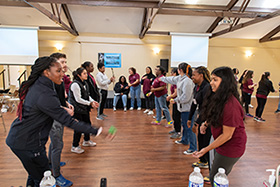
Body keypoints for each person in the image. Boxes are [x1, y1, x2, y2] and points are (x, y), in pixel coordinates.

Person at [5, 57, 105, 187]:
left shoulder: (42, 86)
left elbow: (46, 107)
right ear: (47, 72)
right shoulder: (43, 92)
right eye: (58, 71)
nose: (63, 74)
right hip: (25, 143)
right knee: (44, 179)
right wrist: (96, 130)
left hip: (27, 140)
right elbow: (68, 121)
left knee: (36, 174)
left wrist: (61, 107)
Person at [193, 66, 247, 187]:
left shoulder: (231, 105)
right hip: (221, 142)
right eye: (211, 79)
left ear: (225, 82)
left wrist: (206, 149)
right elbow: (216, 114)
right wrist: (205, 124)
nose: (211, 83)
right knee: (215, 173)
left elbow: (227, 135)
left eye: (215, 80)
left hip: (231, 147)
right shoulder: (220, 97)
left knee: (216, 177)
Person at [48, 52, 73, 187]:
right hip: (54, 117)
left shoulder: (59, 78)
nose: (65, 65)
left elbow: (59, 97)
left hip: (59, 114)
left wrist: (66, 104)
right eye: (62, 62)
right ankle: (56, 175)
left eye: (65, 62)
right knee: (58, 145)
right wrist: (64, 109)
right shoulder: (51, 80)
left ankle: (51, 162)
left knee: (55, 143)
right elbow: (50, 103)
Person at [160, 63, 196, 154]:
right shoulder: (180, 78)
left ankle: (193, 148)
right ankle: (184, 140)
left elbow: (186, 97)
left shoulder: (187, 81)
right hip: (182, 108)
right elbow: (171, 79)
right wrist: (161, 78)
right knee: (184, 125)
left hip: (188, 108)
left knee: (189, 128)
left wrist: (175, 100)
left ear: (180, 70)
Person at [69, 67, 99, 154]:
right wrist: (89, 103)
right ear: (79, 75)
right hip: (77, 109)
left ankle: (86, 141)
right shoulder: (75, 85)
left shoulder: (84, 83)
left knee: (87, 124)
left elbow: (86, 95)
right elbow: (78, 99)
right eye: (84, 73)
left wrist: (92, 101)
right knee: (78, 128)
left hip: (84, 108)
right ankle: (74, 146)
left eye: (86, 73)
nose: (86, 75)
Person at [187, 66, 211, 169]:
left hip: (207, 117)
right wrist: (189, 118)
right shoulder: (197, 87)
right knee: (200, 138)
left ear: (201, 75)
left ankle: (206, 161)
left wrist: (197, 123)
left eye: (194, 75)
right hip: (201, 114)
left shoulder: (207, 88)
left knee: (205, 139)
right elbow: (194, 103)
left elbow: (206, 107)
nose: (192, 77)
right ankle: (202, 160)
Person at [166, 68, 181, 139]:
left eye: (172, 73)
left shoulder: (176, 82)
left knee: (177, 117)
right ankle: (176, 129)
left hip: (178, 101)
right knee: (174, 116)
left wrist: (170, 97)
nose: (171, 74)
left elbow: (176, 93)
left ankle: (178, 132)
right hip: (174, 101)